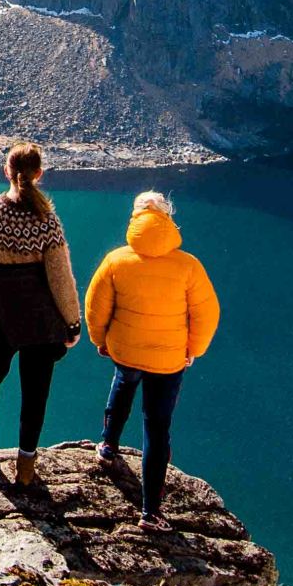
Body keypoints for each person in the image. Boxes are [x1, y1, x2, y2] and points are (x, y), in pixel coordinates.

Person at [84, 190, 220, 529]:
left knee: (122, 386)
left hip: (125, 350)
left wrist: (101, 341)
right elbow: (207, 313)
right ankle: (150, 513)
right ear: (166, 218)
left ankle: (107, 446)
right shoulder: (189, 265)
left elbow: (95, 306)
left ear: (136, 219)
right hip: (169, 359)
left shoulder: (116, 260)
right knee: (156, 427)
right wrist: (193, 350)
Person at [0, 141, 80, 488]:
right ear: (39, 174)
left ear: (7, 171)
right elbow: (60, 277)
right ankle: (26, 467)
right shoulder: (46, 220)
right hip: (39, 316)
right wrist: (72, 322)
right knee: (35, 392)